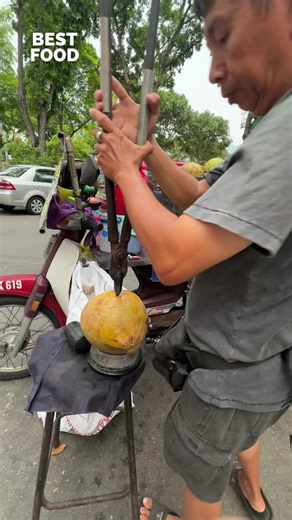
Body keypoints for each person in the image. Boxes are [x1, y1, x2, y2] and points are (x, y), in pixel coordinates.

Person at [89, 0, 292, 518]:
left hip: (233, 371)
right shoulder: (268, 129)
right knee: (235, 437)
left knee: (202, 472)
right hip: (259, 365)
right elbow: (200, 198)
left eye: (222, 36)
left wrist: (126, 174)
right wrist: (147, 148)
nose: (213, 69)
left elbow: (175, 259)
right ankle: (255, 495)